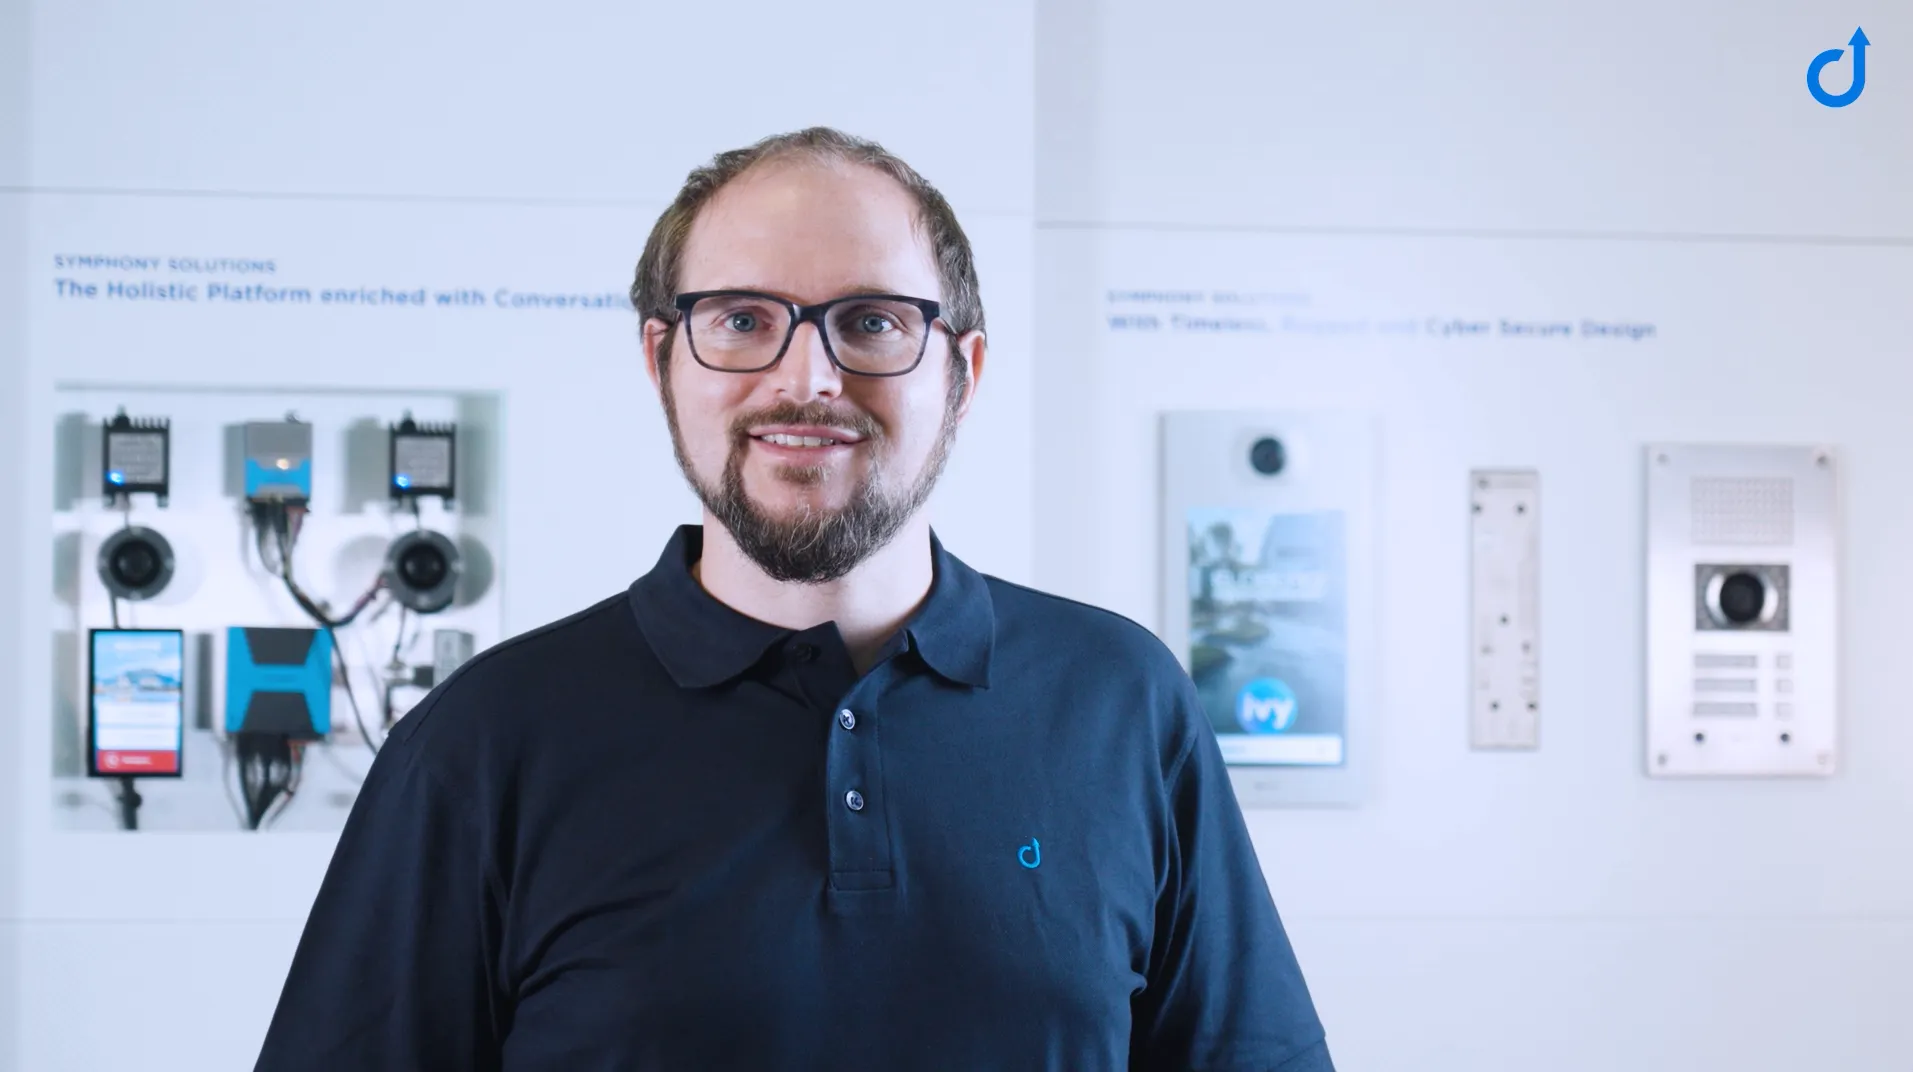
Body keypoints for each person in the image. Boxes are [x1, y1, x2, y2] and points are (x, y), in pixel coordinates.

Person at [254, 127, 1334, 1071]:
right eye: (739, 319)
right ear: (660, 358)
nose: (806, 378)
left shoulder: (1120, 703)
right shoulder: (482, 746)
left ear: (962, 370)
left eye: (870, 322)